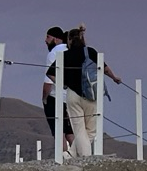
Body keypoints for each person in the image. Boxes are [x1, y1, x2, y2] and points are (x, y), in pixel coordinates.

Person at [50, 24, 122, 159]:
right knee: (90, 131)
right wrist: (114, 78)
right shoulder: (91, 52)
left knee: (79, 129)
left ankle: (73, 154)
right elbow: (105, 69)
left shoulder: (64, 56)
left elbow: (50, 73)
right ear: (82, 39)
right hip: (91, 94)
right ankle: (84, 159)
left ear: (69, 40)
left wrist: (63, 84)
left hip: (72, 95)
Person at [40, 27, 73, 155]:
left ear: (55, 38)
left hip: (55, 96)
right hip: (72, 96)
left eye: (48, 37)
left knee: (59, 130)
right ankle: (80, 155)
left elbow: (49, 79)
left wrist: (44, 97)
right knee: (70, 130)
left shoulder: (54, 53)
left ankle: (63, 155)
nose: (45, 40)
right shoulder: (71, 50)